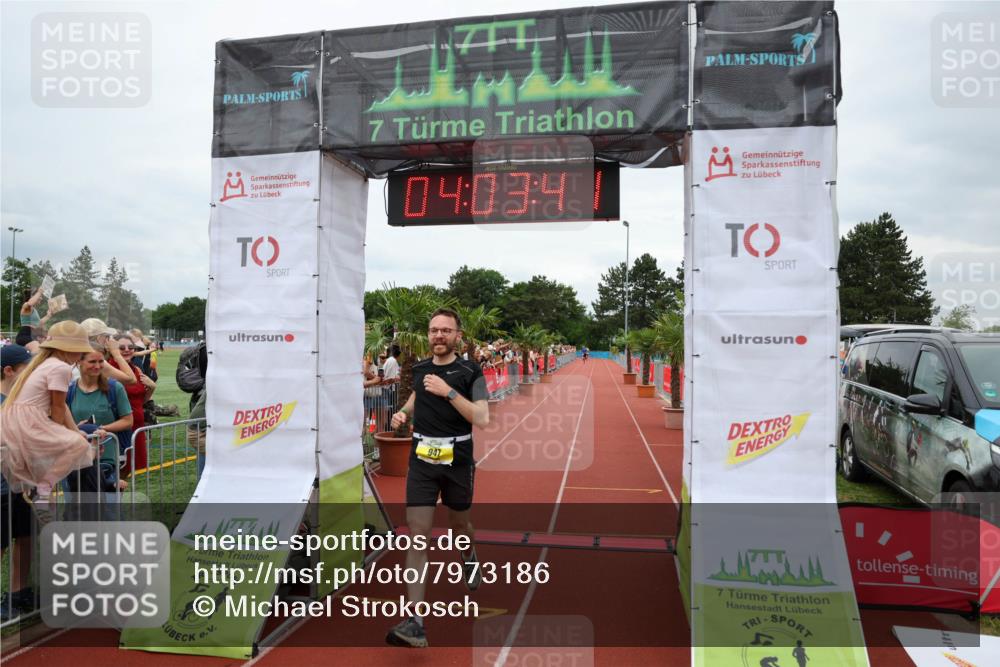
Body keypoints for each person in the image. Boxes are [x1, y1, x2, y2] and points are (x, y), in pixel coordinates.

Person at [386, 308, 489, 649]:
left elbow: (483, 418)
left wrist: (449, 392)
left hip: (457, 461)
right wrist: (404, 412)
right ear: (428, 335)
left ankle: (469, 554)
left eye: (446, 330)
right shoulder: (420, 369)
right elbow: (419, 392)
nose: (439, 336)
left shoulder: (470, 371)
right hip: (422, 460)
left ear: (458, 335)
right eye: (434, 330)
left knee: (460, 527)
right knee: (418, 534)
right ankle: (415, 621)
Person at [0, 321, 96, 520]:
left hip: (18, 420)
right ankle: (43, 488)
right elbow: (58, 406)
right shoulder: (60, 367)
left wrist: (73, 430)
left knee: (76, 441)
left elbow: (62, 406)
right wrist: (63, 430)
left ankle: (39, 489)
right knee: (78, 445)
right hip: (28, 421)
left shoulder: (45, 363)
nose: (80, 356)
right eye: (80, 351)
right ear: (69, 350)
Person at [67, 344, 133, 494]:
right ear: (79, 362)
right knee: (76, 511)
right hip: (75, 462)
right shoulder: (69, 391)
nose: (97, 366)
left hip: (107, 462)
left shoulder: (114, 388)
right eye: (92, 362)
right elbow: (59, 422)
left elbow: (128, 421)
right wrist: (76, 428)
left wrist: (103, 429)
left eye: (101, 361)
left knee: (109, 512)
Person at [1, 344, 35, 621]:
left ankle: (18, 593)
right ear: (8, 371)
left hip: (21, 484)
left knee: (24, 538)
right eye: (27, 369)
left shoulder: (21, 402)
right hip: (3, 485)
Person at [108, 334, 155, 477]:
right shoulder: (110, 368)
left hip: (137, 427)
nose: (127, 350)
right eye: (121, 347)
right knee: (114, 474)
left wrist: (152, 388)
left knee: (125, 473)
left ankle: (117, 499)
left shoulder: (136, 369)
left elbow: (141, 401)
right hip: (120, 429)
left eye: (131, 347)